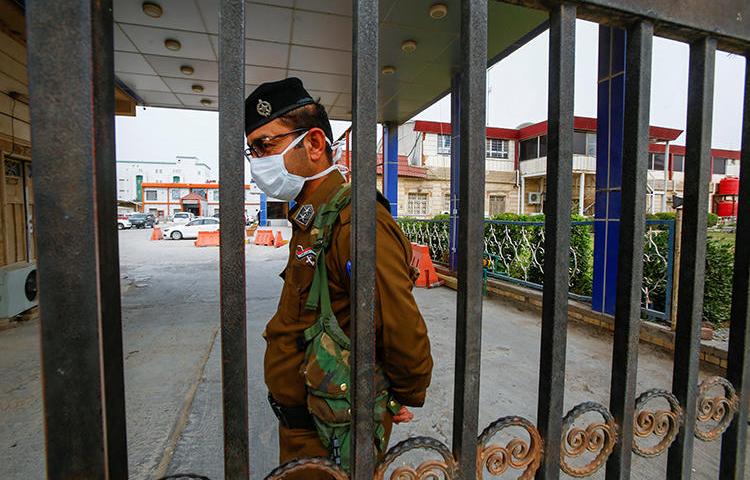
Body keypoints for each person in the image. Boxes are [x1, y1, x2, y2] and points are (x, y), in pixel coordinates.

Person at [244, 77, 432, 473]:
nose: (258, 160)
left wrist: (400, 396)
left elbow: (400, 325)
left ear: (313, 144)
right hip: (305, 422)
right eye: (252, 149)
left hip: (331, 430)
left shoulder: (354, 222)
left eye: (266, 145)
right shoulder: (311, 213)